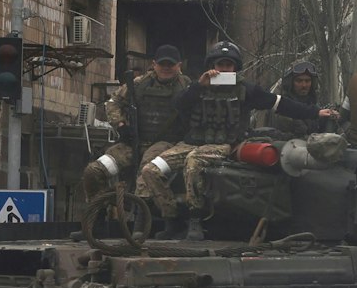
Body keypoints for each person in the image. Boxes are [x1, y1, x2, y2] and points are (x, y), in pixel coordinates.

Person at [137, 42, 335, 239]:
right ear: (212, 65)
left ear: (235, 68)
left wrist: (315, 112)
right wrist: (199, 86)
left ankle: (194, 220)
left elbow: (279, 103)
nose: (224, 69)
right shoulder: (197, 86)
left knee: (193, 163)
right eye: (220, 65)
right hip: (192, 142)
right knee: (151, 170)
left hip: (223, 145)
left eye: (228, 65)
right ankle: (171, 219)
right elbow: (178, 103)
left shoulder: (245, 90)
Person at [83, 45, 191, 203]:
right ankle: (98, 216)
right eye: (162, 64)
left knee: (145, 176)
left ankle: (141, 223)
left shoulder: (187, 88)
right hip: (133, 143)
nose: (166, 68)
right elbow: (113, 102)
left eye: (171, 65)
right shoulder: (139, 84)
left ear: (179, 66)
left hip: (167, 145)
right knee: (93, 172)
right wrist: (120, 125)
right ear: (154, 64)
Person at [251, 60, 334, 138]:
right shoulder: (279, 104)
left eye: (307, 81)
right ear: (290, 82)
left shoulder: (312, 104)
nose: (304, 85)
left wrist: (328, 118)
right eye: (299, 81)